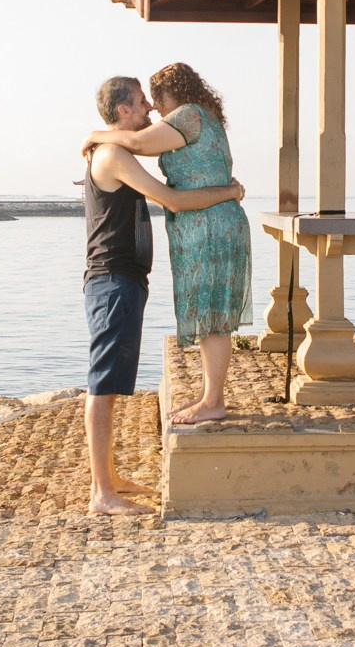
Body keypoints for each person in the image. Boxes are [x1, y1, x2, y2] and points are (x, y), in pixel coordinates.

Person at [80, 75, 244, 515]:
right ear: (123, 113)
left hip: (123, 278)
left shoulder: (112, 148)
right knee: (103, 383)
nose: (151, 110)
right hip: (112, 279)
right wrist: (228, 192)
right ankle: (102, 493)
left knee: (111, 381)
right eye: (141, 104)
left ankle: (108, 478)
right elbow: (170, 199)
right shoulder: (113, 153)